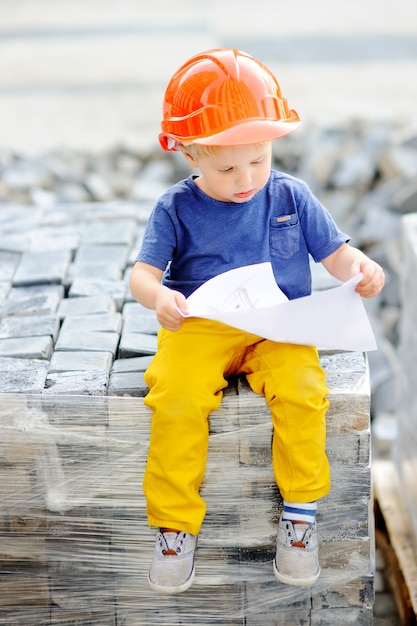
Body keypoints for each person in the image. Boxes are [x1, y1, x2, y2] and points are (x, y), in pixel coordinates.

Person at [129, 48, 385, 594]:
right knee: (174, 396)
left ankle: (300, 515)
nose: (246, 178)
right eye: (226, 167)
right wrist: (159, 299)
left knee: (303, 390)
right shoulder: (175, 209)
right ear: (190, 153)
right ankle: (174, 527)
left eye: (259, 160)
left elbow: (335, 254)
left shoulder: (291, 195)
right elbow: (142, 275)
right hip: (201, 325)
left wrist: (360, 268)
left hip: (280, 325)